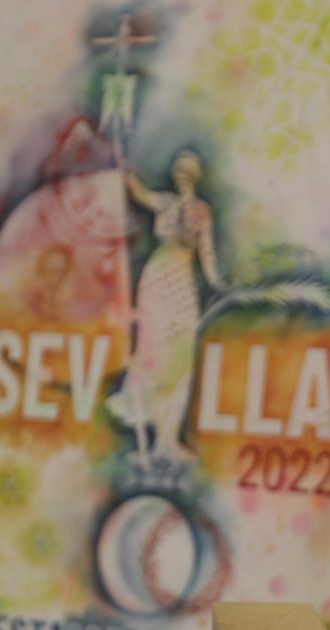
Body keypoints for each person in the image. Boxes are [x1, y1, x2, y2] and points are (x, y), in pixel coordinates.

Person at [106, 149, 223, 459]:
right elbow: (141, 193)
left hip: (182, 284)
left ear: (196, 176)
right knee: (152, 355)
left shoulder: (201, 211)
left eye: (188, 171)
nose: (182, 175)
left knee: (181, 357)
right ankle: (156, 439)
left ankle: (169, 440)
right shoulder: (167, 203)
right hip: (157, 280)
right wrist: (123, 167)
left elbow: (207, 253)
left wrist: (217, 283)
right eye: (179, 170)